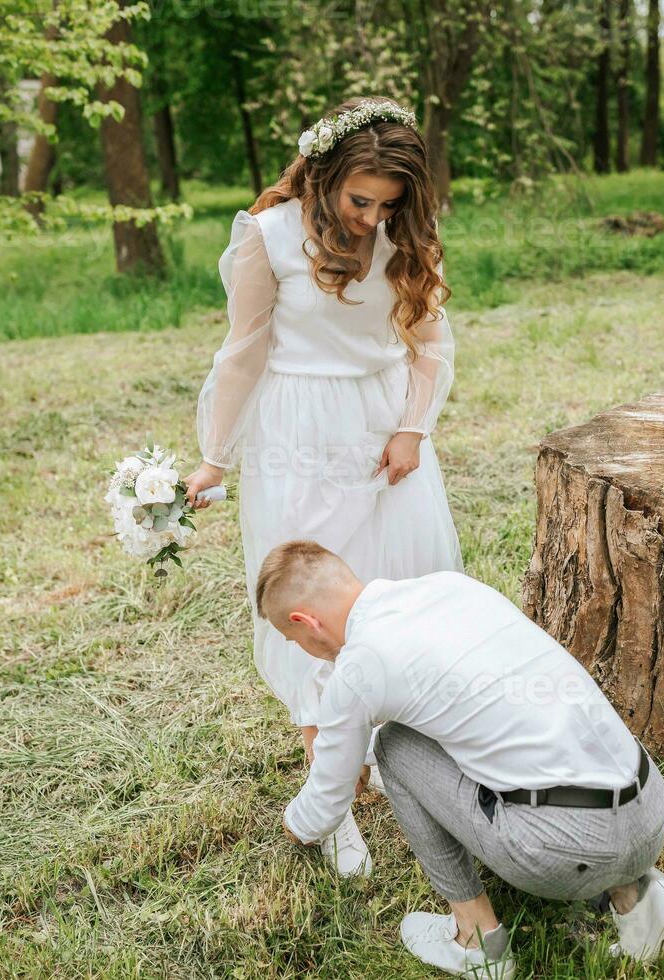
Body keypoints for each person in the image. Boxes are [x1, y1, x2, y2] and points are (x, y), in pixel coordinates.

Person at [183, 97, 464, 879]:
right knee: (320, 616)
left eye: (389, 204)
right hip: (300, 433)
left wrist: (413, 428)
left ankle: (415, 768)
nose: (374, 218)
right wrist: (215, 457)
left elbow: (430, 339)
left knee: (395, 589)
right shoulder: (267, 237)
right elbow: (242, 353)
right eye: (359, 200)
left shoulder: (402, 239)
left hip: (383, 428)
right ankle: (331, 796)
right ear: (324, 175)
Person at [256, 539, 664, 977]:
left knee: (393, 745)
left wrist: (296, 826)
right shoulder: (449, 588)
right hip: (650, 806)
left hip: (566, 850)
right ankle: (636, 897)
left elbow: (328, 799)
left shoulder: (358, 667)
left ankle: (475, 940)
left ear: (305, 621)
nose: (302, 649)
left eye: (294, 640)